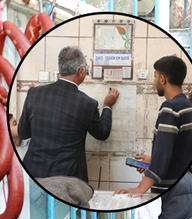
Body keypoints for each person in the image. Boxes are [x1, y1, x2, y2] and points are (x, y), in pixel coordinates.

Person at [18, 46, 119, 182]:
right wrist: (108, 106)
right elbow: (102, 134)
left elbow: (23, 133)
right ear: (80, 71)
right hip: (68, 180)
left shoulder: (34, 94)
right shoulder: (87, 104)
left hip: (33, 174)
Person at [115, 56, 192, 196]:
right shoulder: (190, 107)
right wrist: (153, 160)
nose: (154, 82)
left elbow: (163, 153)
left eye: (155, 77)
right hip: (187, 185)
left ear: (163, 79)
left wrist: (140, 189)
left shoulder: (170, 107)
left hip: (170, 191)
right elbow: (181, 151)